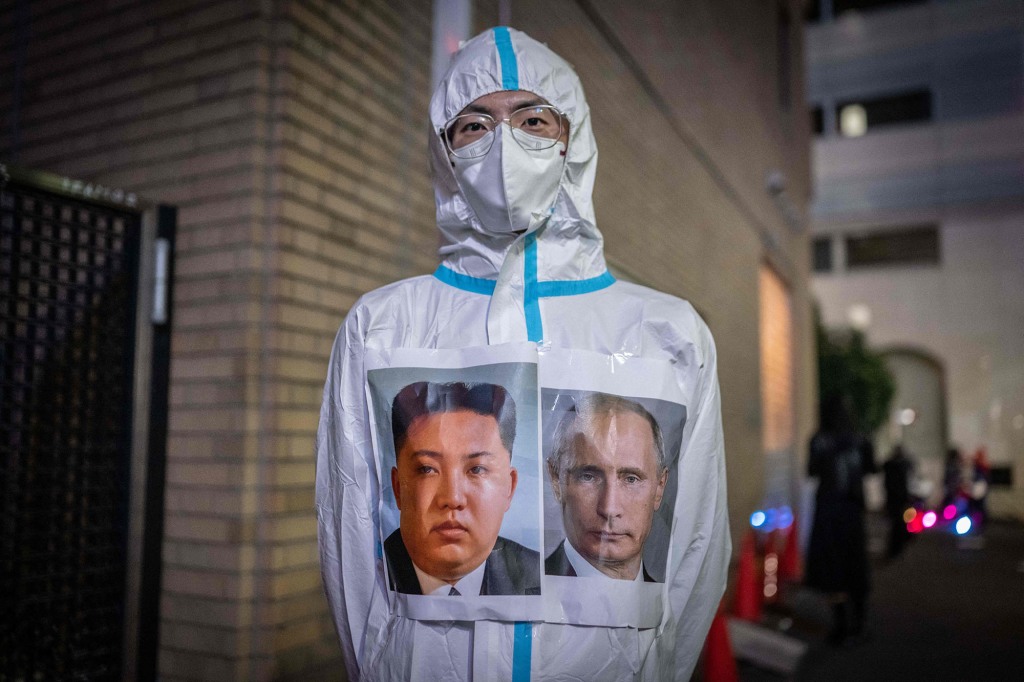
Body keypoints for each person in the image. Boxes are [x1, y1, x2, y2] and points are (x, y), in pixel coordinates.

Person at [316, 26, 729, 681]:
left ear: (574, 141)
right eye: (474, 125)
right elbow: (348, 526)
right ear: (444, 152)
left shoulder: (666, 332)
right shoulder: (382, 324)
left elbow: (696, 549)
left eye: (533, 119)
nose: (504, 143)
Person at [384, 381, 540, 596]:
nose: (453, 498)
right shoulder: (365, 575)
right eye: (428, 469)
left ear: (509, 488)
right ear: (398, 487)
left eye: (476, 469)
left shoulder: (544, 580)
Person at [545, 392, 668, 581]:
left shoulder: (675, 606)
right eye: (588, 477)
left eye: (631, 479)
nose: (609, 509)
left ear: (659, 487)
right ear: (556, 480)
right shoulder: (516, 594)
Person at [805, 395, 877, 645]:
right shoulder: (860, 440)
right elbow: (870, 469)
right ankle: (858, 622)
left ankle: (842, 624)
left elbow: (812, 471)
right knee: (854, 565)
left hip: (828, 511)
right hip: (851, 510)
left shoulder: (819, 440)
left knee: (833, 569)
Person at [882, 444, 914, 560]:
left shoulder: (891, 465)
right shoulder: (900, 465)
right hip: (898, 499)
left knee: (897, 524)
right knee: (899, 524)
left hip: (894, 498)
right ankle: (897, 548)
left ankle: (896, 549)